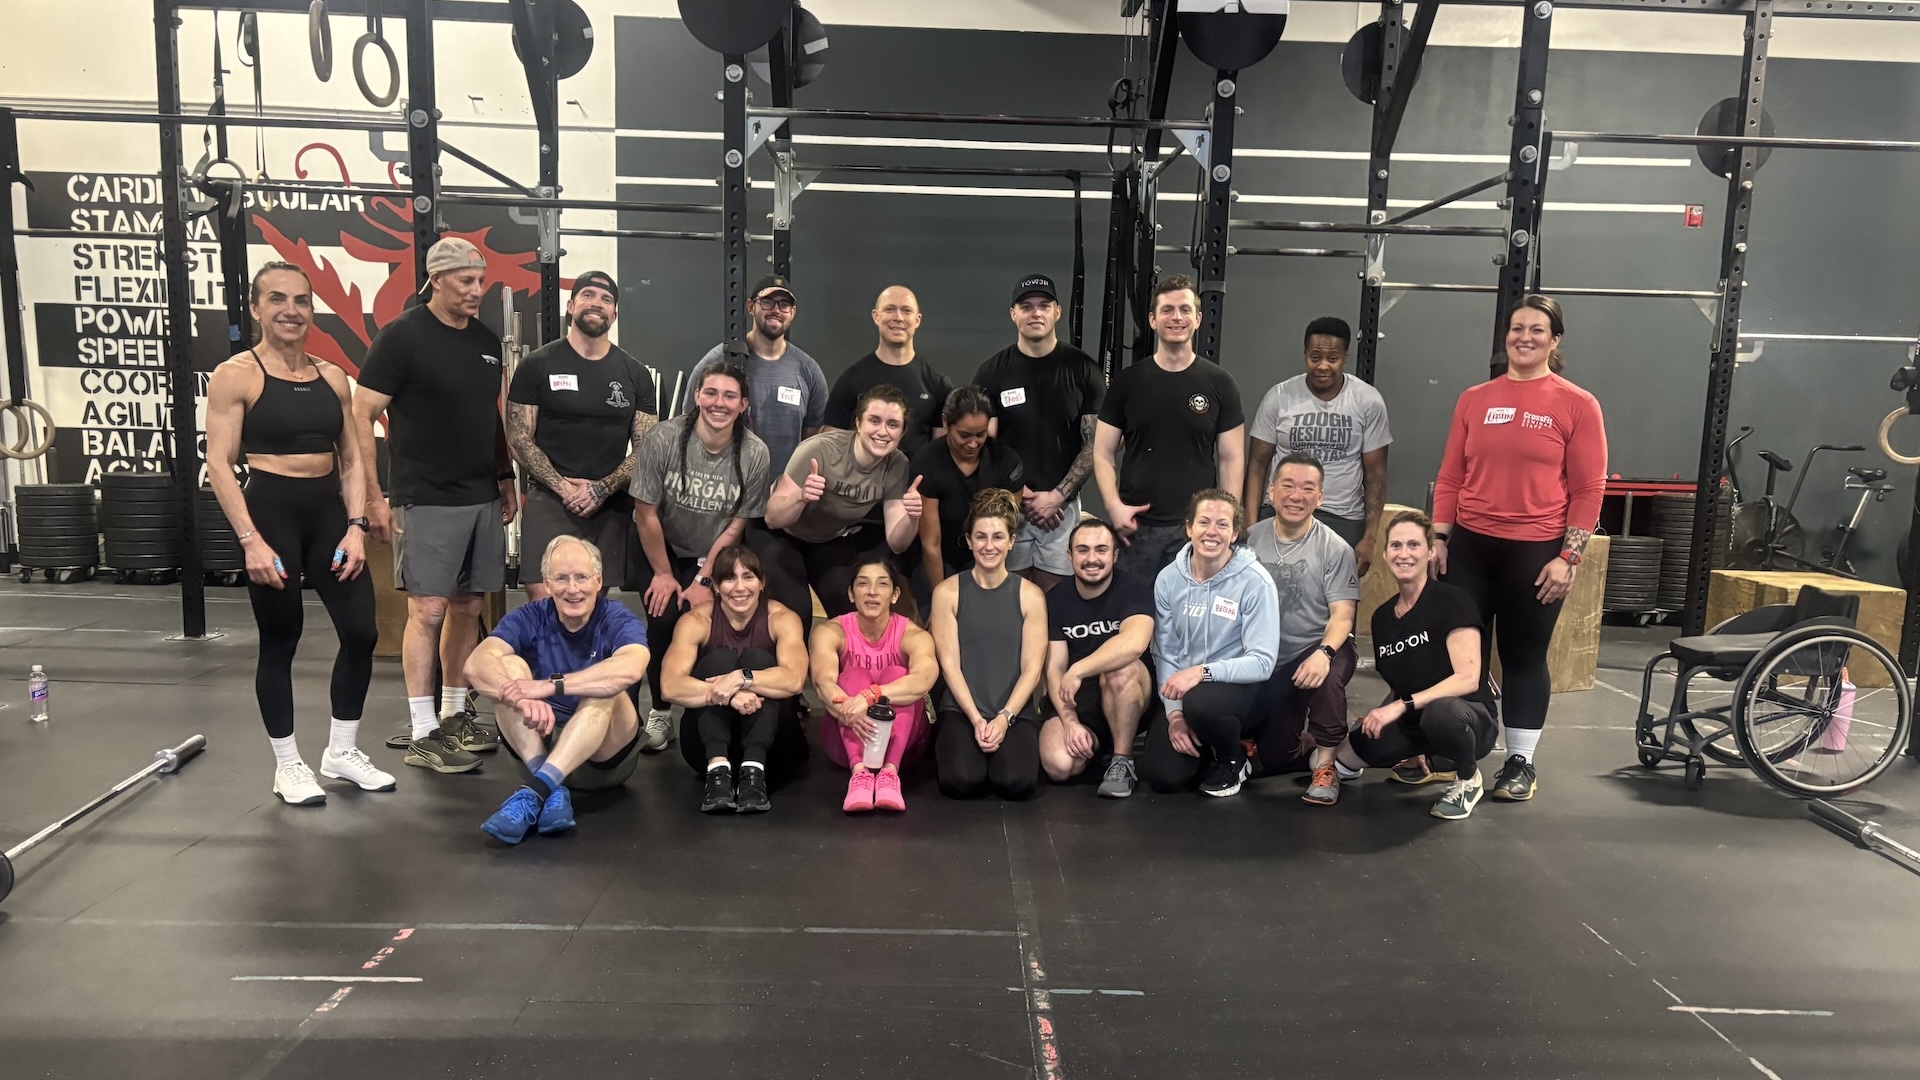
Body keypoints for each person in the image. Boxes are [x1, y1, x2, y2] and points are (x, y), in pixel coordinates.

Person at [204, 262, 389, 806]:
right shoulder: (235, 374)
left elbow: (352, 459)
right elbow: (219, 464)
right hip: (271, 515)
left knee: (362, 633)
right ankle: (287, 764)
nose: (291, 310)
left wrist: (355, 528)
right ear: (256, 309)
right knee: (281, 640)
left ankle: (341, 752)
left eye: (302, 300)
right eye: (278, 299)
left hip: (328, 514)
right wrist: (250, 540)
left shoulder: (332, 376)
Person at [1432, 295, 1606, 803]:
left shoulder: (1577, 404)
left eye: (1536, 330)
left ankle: (1520, 762)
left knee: (1524, 657)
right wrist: (1439, 539)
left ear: (1555, 340)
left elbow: (1589, 489)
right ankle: (1459, 750)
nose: (1524, 337)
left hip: (1535, 552)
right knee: (1461, 653)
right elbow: (1450, 476)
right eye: (1516, 328)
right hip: (1472, 547)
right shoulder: (1474, 399)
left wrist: (1568, 558)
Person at [353, 236, 515, 773]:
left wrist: (504, 475)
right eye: (466, 281)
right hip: (425, 496)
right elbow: (361, 413)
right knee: (427, 612)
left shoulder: (486, 342)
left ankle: (451, 716)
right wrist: (373, 496)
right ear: (437, 279)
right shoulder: (402, 337)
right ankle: (423, 731)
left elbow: (489, 416)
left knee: (468, 607)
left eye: (481, 281)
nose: (476, 290)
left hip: (480, 495)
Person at [464, 537, 650, 845]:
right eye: (561, 578)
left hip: (602, 762)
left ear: (598, 581)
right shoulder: (530, 616)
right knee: (507, 669)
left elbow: (631, 667)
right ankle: (548, 785)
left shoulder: (617, 619)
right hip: (539, 748)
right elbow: (476, 664)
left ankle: (536, 791)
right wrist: (521, 698)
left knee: (606, 686)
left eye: (582, 577)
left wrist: (550, 685)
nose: (572, 589)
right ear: (548, 584)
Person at [631, 364, 772, 752]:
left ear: (743, 405)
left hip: (713, 551)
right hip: (660, 545)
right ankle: (661, 712)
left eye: (729, 396)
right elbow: (645, 512)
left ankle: (717, 702)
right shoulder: (664, 438)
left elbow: (736, 525)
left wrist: (705, 579)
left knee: (712, 619)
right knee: (662, 616)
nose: (718, 403)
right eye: (710, 393)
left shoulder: (755, 453)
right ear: (696, 395)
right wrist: (663, 574)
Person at [1332, 511, 1501, 820]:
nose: (1404, 553)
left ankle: (1468, 779)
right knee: (1347, 757)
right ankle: (1428, 756)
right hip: (1415, 717)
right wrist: (1380, 715)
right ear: (1386, 554)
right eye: (1396, 545)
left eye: (1414, 545)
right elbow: (1400, 683)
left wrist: (1400, 706)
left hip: (1466, 717)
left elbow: (1467, 678)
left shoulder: (1453, 601)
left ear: (1431, 551)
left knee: (1440, 714)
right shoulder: (1383, 618)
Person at [506, 270, 658, 602]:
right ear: (571, 305)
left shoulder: (635, 374)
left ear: (614, 314)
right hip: (550, 498)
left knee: (590, 602)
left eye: (606, 299)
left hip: (608, 504)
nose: (597, 303)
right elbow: (518, 438)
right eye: (588, 295)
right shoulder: (536, 365)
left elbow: (646, 449)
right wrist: (564, 488)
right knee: (545, 599)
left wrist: (601, 489)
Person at [1094, 274, 1245, 582]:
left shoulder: (1220, 383)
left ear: (1198, 319)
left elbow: (1231, 457)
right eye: (1167, 310)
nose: (1177, 317)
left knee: (1193, 610)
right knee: (1135, 609)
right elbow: (1102, 452)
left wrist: (1226, 519)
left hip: (1196, 528)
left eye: (1185, 309)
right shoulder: (1127, 382)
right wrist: (1113, 507)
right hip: (1136, 529)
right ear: (1152, 320)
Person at [1139, 490, 1281, 798]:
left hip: (1241, 689)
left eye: (1222, 524)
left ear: (1234, 534)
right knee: (1163, 775)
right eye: (1204, 522)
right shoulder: (1168, 579)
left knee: (1202, 703)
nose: (1212, 531)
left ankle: (1233, 758)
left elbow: (1262, 662)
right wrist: (1174, 715)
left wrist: (1201, 672)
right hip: (1187, 693)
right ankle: (1209, 747)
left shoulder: (1256, 582)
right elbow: (1165, 652)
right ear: (1189, 528)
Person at [972, 273, 1104, 589]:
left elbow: (1097, 443)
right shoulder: (991, 373)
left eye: (1044, 305)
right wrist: (1019, 494)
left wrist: (1058, 496)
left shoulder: (1084, 370)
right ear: (1013, 314)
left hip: (1062, 509)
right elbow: (981, 443)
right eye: (1026, 306)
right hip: (1008, 506)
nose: (1036, 313)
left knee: (1055, 603)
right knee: (1010, 599)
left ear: (1057, 312)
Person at [658, 544, 811, 814]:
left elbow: (794, 679)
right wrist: (729, 694)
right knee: (718, 660)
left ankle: (754, 771)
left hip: (773, 750)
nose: (740, 587)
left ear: (762, 583)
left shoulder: (782, 618)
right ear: (716, 586)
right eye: (729, 578)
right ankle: (718, 772)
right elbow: (669, 687)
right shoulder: (696, 621)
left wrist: (742, 678)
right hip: (707, 749)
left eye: (748, 577)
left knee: (758, 660)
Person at [1245, 453, 1361, 806]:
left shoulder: (1335, 548)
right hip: (1269, 656)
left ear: (1320, 497)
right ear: (1271, 492)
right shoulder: (1248, 540)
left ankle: (1327, 765)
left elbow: (1343, 615)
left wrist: (1324, 653)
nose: (1297, 496)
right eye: (1288, 485)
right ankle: (1325, 745)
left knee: (1326, 676)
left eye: (1308, 488)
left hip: (1319, 645)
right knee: (1278, 755)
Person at [761, 384, 925, 630]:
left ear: (902, 432)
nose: (882, 431)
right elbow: (772, 518)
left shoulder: (897, 464)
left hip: (827, 538)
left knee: (853, 611)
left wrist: (912, 517)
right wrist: (801, 497)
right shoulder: (820, 450)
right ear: (858, 423)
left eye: (893, 424)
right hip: (781, 534)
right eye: (874, 421)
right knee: (795, 612)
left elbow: (897, 543)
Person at [1244, 316, 1391, 573]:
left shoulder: (1368, 401)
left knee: (1335, 595)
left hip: (1341, 516)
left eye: (1332, 358)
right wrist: (1251, 527)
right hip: (1282, 511)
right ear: (1305, 354)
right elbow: (1257, 464)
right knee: (1273, 590)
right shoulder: (1279, 397)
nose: (1323, 366)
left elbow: (1375, 474)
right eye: (1315, 357)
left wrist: (1370, 537)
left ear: (1345, 357)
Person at [930, 489, 1048, 800]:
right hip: (962, 709)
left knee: (1016, 783)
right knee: (961, 781)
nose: (989, 545)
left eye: (998, 537)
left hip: (1012, 710)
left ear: (1011, 542)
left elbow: (1032, 669)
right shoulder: (947, 593)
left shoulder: (1031, 596)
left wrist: (1004, 718)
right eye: (981, 537)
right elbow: (949, 664)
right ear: (969, 541)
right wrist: (976, 718)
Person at [810, 557, 940, 813]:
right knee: (853, 676)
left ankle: (890, 773)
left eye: (882, 584)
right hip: (845, 741)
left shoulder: (913, 635)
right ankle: (859, 773)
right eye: (863, 584)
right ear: (851, 593)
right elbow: (822, 681)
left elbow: (923, 679)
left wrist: (870, 696)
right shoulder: (830, 632)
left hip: (904, 746)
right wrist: (849, 707)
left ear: (895, 594)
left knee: (897, 675)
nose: (872, 592)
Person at [1038, 519, 1156, 798]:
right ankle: (1099, 749)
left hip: (1129, 691)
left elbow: (1134, 644)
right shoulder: (1056, 599)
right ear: (1070, 556)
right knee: (1058, 765)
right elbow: (1054, 669)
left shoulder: (1133, 589)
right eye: (1083, 550)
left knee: (1118, 670)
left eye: (1101, 549)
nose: (1092, 558)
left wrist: (1078, 669)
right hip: (1078, 699)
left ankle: (1122, 760)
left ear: (1115, 555)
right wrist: (1070, 723)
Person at [685, 276, 828, 481]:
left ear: (792, 312)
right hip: (725, 488)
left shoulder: (809, 371)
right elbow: (689, 420)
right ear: (751, 306)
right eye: (767, 302)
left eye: (784, 304)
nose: (776, 310)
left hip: (782, 492)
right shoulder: (718, 362)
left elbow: (812, 439)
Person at [911, 385, 1025, 604]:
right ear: (946, 422)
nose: (973, 444)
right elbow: (931, 544)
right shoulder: (927, 462)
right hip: (940, 556)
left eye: (981, 434)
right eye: (964, 435)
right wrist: (940, 601)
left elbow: (1003, 531)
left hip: (986, 553)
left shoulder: (1006, 462)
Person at [822, 285, 954, 457]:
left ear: (917, 320)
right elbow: (831, 450)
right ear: (876, 316)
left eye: (906, 311)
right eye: (890, 309)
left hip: (917, 475)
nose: (898, 317)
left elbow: (941, 454)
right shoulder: (851, 380)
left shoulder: (937, 384)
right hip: (861, 475)